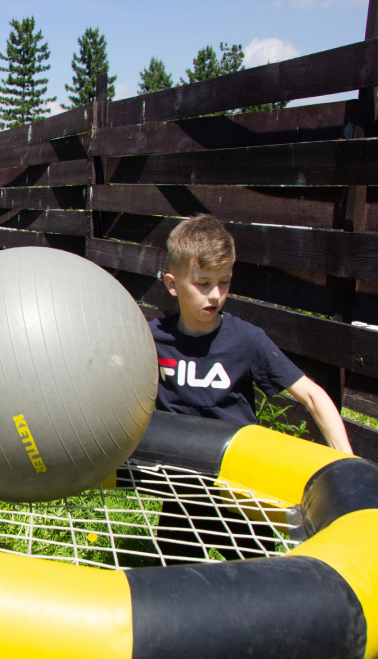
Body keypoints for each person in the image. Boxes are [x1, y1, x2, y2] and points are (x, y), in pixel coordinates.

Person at [149, 213, 352, 561]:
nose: (215, 295)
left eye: (224, 282)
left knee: (258, 580)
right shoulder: (151, 339)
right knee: (169, 580)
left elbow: (313, 396)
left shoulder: (246, 340)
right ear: (172, 284)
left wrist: (347, 467)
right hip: (181, 491)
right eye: (203, 283)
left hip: (239, 490)